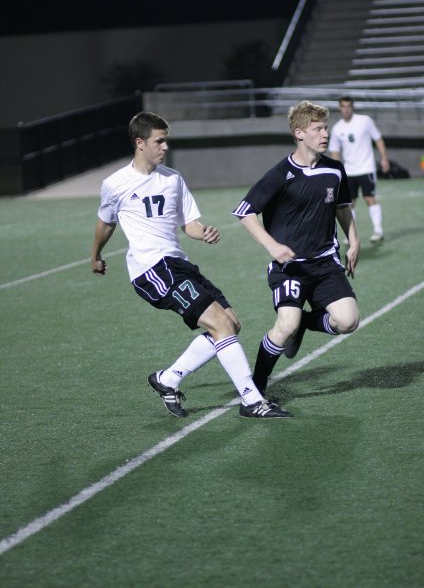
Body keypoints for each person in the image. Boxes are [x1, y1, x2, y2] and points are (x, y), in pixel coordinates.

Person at [90, 111, 290, 419]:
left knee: (231, 323)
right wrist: (96, 255)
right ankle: (253, 401)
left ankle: (167, 379)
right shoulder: (115, 184)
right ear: (140, 143)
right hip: (151, 270)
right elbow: (106, 224)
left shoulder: (173, 179)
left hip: (178, 264)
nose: (165, 147)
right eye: (159, 141)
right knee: (220, 324)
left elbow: (189, 224)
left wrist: (203, 233)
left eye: (167, 140)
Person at [232, 100, 360, 395]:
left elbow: (342, 208)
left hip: (326, 264)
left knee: (348, 321)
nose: (325, 134)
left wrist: (354, 240)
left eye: (326, 128)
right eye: (318, 129)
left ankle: (304, 323)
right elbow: (245, 212)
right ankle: (256, 390)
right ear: (299, 133)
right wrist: (272, 246)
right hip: (289, 267)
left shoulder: (335, 170)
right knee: (286, 324)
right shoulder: (280, 173)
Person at [328, 96, 389, 243]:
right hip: (349, 171)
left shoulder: (365, 121)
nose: (346, 109)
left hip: (366, 168)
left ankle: (378, 231)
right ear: (340, 108)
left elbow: (378, 138)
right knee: (349, 204)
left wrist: (384, 158)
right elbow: (335, 151)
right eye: (343, 106)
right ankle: (351, 235)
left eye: (349, 106)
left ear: (352, 107)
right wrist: (337, 172)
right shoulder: (337, 128)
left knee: (369, 198)